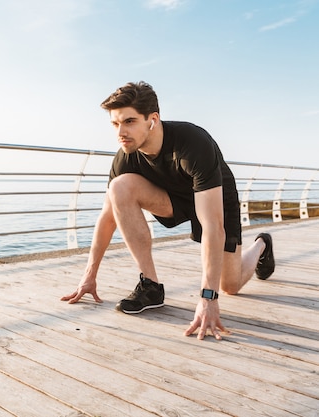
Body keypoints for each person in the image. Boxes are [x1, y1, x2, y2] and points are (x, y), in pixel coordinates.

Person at [61, 81, 275, 340]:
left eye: (129, 122)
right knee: (119, 187)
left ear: (152, 119)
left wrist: (208, 298)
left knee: (229, 286)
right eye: (115, 124)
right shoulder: (126, 155)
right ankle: (150, 286)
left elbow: (212, 226)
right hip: (171, 198)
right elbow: (108, 218)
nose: (121, 132)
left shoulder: (193, 144)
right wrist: (89, 276)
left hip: (214, 198)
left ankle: (261, 244)